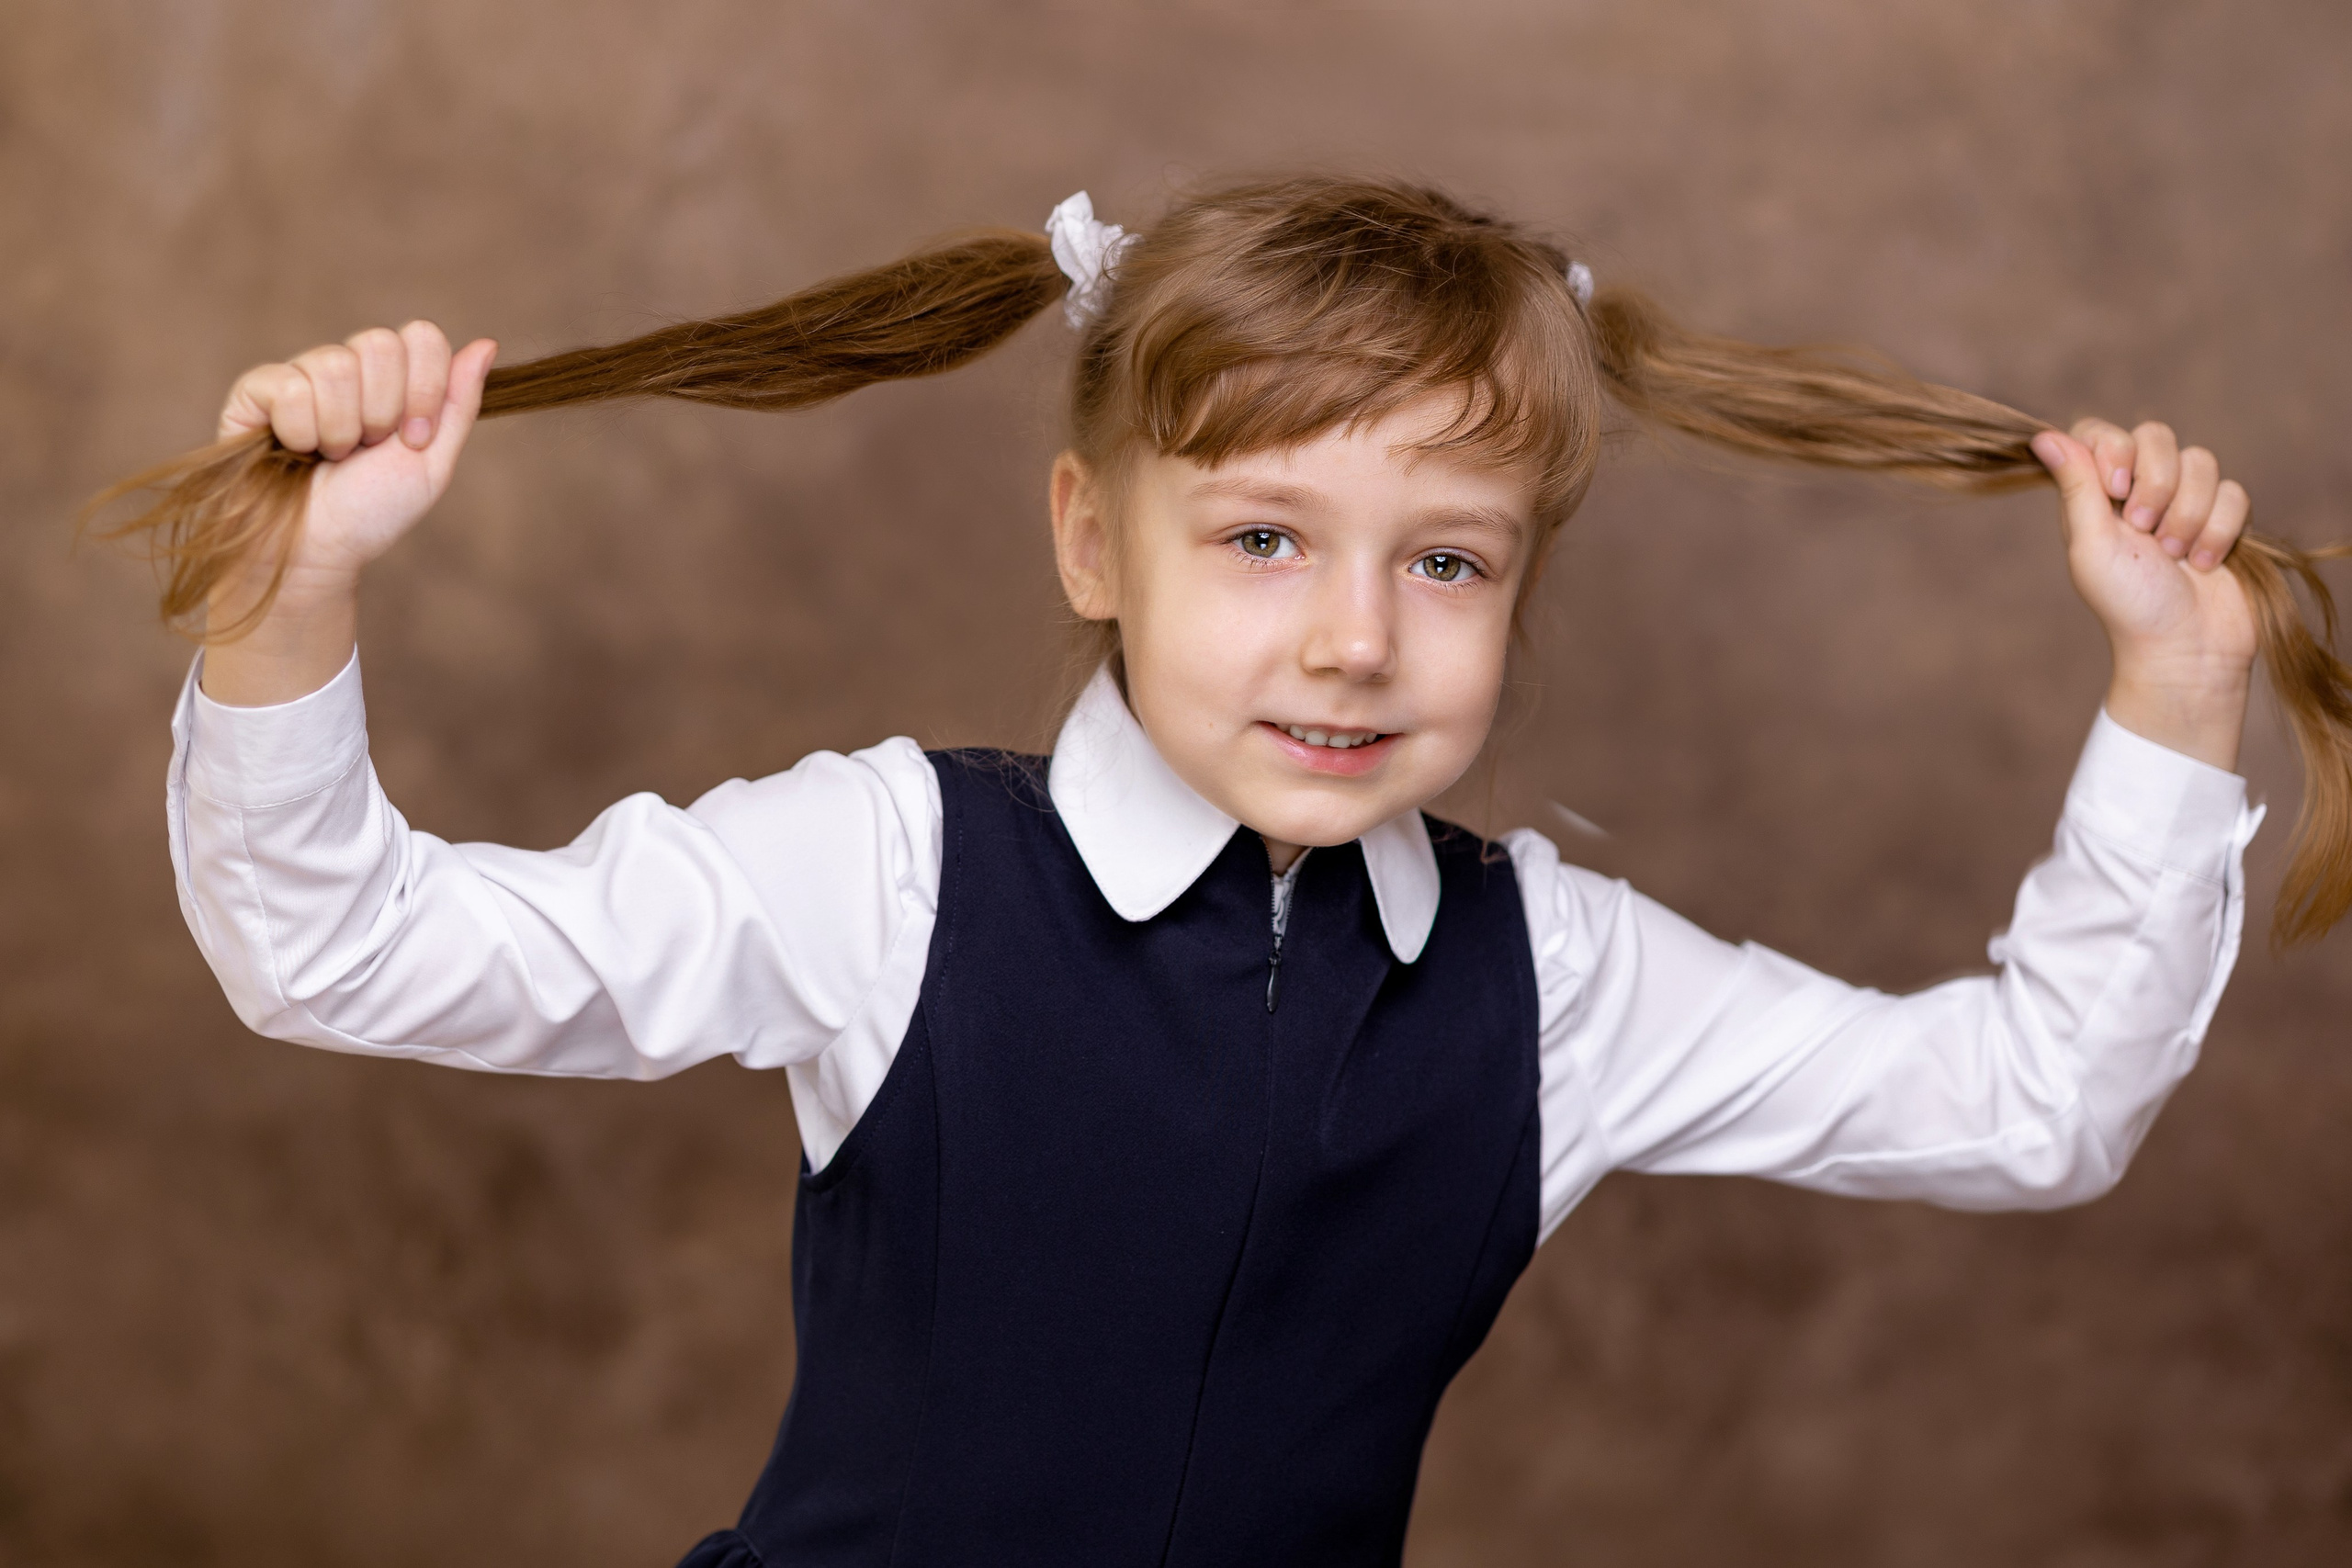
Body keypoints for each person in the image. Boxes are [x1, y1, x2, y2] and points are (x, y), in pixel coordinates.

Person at [144, 177, 2302, 1565]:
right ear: (1093, 536)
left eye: (1440, 559)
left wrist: (2175, 687)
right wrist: (293, 600)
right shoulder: (889, 871)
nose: (1352, 636)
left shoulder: (1549, 979)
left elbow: (2034, 1108)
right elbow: (331, 945)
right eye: (1262, 535)